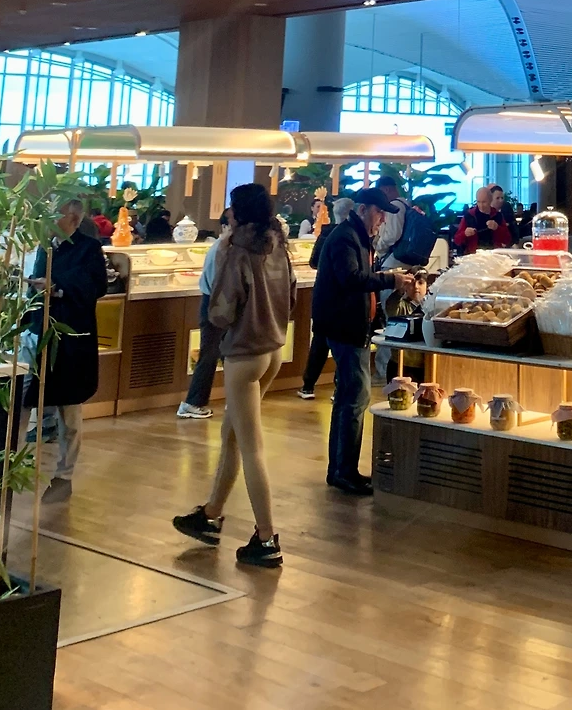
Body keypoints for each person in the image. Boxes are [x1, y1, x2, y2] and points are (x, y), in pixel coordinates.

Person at [172, 182, 297, 568]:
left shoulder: (237, 252)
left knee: (252, 448)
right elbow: (292, 297)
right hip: (273, 350)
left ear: (239, 213)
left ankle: (266, 538)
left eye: (230, 207)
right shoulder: (280, 248)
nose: (227, 213)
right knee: (231, 436)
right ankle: (210, 514)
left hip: (244, 356)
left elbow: (222, 310)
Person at [312, 186, 416, 495]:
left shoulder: (356, 237)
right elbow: (351, 279)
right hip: (344, 326)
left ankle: (339, 470)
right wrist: (391, 279)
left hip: (349, 324)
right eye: (379, 213)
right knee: (355, 398)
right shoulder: (346, 238)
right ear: (362, 210)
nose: (382, 220)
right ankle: (345, 472)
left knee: (348, 397)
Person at [24, 197, 108, 504]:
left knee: (69, 412)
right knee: (25, 398)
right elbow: (35, 287)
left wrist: (57, 287)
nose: (48, 221)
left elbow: (95, 287)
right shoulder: (46, 246)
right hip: (39, 332)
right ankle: (6, 467)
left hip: (71, 337)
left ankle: (64, 475)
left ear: (72, 218)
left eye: (54, 215)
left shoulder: (89, 248)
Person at [178, 209, 232, 420]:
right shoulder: (221, 249)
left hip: (214, 303)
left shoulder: (223, 247)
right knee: (210, 355)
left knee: (221, 353)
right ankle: (193, 402)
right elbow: (218, 283)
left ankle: (231, 399)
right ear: (225, 227)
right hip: (214, 304)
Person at [298, 195, 353, 400]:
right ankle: (339, 387)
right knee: (343, 345)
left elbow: (314, 261)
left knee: (320, 342)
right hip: (345, 299)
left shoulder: (326, 233)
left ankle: (308, 386)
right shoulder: (353, 236)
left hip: (323, 296)